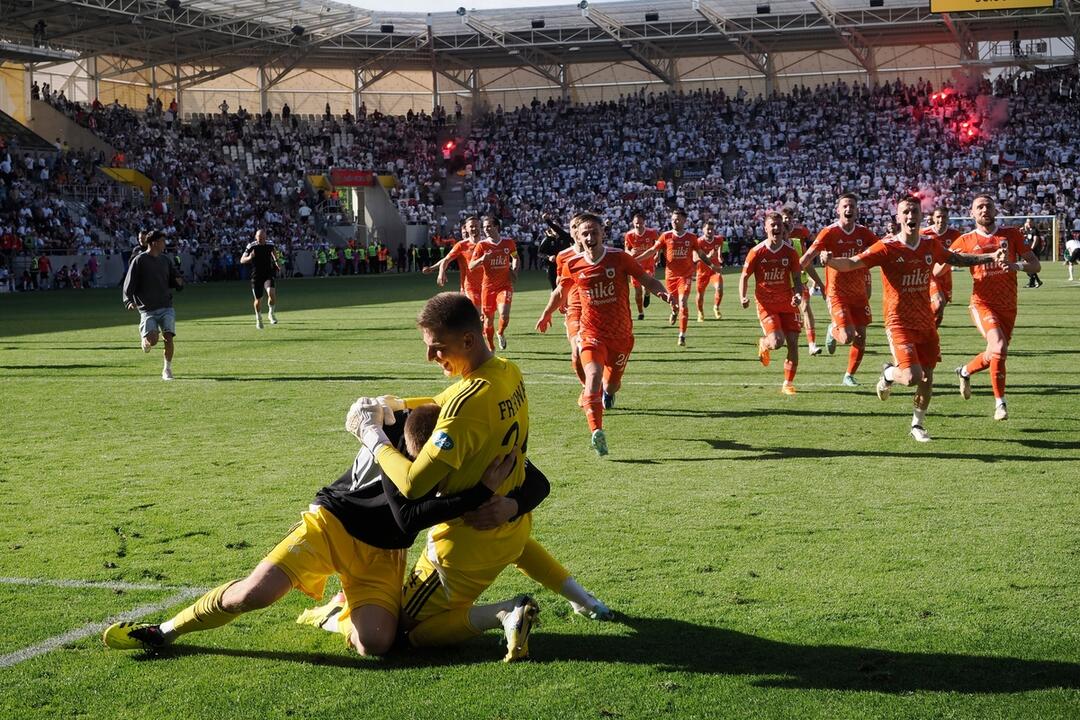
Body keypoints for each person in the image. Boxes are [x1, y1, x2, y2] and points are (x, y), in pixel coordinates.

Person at [101, 403, 533, 656]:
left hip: (384, 553)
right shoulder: (386, 436)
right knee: (254, 594)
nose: (430, 475)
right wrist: (481, 493)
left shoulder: (457, 439)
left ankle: (330, 611)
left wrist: (511, 501)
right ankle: (164, 631)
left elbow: (538, 481)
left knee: (376, 644)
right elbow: (409, 515)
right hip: (332, 524)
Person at [348, 292, 556, 661]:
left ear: (468, 340)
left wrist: (373, 437)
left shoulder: (467, 406)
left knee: (399, 632)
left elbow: (413, 484)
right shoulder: (506, 371)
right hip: (511, 527)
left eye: (438, 347)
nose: (430, 356)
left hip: (461, 546)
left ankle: (503, 612)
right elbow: (444, 399)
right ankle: (581, 600)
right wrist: (398, 405)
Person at [819, 196, 1003, 440]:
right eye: (905, 212)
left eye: (914, 211)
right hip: (898, 323)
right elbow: (852, 263)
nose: (910, 216)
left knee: (927, 376)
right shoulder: (887, 247)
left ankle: (917, 425)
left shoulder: (930, 244)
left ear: (920, 216)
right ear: (898, 217)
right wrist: (831, 261)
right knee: (910, 377)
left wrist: (990, 257)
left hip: (925, 322)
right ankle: (888, 374)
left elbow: (956, 259)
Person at [536, 213, 673, 456]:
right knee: (593, 376)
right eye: (585, 234)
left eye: (594, 232)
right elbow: (560, 292)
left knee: (612, 384)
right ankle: (596, 431)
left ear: (603, 233)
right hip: (591, 332)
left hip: (621, 335)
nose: (590, 237)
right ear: (578, 237)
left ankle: (608, 394)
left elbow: (646, 279)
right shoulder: (572, 264)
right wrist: (547, 313)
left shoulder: (619, 258)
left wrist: (663, 294)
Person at [949, 194, 1041, 421]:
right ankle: (1000, 403)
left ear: (995, 210)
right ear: (971, 213)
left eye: (988, 206)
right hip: (982, 304)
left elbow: (1035, 265)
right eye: (979, 207)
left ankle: (964, 371)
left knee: (995, 353)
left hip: (1008, 305)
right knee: (999, 347)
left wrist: (1015, 266)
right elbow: (938, 269)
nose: (984, 210)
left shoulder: (1011, 234)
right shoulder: (965, 240)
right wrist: (952, 259)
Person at [799, 193, 879, 386]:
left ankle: (849, 375)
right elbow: (808, 256)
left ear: (857, 210)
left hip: (859, 292)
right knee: (847, 336)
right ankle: (832, 329)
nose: (848, 209)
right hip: (837, 292)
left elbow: (882, 249)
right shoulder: (829, 232)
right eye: (845, 206)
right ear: (838, 210)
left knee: (861, 336)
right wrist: (792, 278)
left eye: (852, 206)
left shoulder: (864, 233)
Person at [739, 212, 804, 395]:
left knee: (793, 343)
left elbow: (797, 279)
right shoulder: (757, 252)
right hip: (766, 304)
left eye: (778, 225)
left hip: (788, 303)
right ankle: (764, 343)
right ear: (765, 228)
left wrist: (798, 295)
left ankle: (788, 384)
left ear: (783, 228)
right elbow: (744, 276)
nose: (776, 228)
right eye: (772, 225)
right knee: (776, 342)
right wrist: (743, 297)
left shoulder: (790, 252)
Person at [650, 207, 723, 346]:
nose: (674, 222)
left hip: (685, 276)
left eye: (677, 219)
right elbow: (653, 250)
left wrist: (711, 265)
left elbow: (700, 254)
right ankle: (674, 311)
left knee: (683, 303)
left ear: (684, 220)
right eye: (672, 219)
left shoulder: (691, 237)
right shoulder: (666, 236)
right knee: (675, 304)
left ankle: (682, 335)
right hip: (670, 277)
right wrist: (636, 259)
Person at [122, 230, 183, 380]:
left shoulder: (166, 260)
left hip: (166, 306)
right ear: (154, 243)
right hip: (147, 309)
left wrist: (179, 282)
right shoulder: (139, 260)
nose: (165, 244)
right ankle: (146, 339)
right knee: (153, 340)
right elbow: (129, 283)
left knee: (168, 337)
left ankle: (167, 369)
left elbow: (175, 279)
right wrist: (128, 301)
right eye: (162, 241)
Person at [468, 215, 518, 350]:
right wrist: (482, 259)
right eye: (484, 227)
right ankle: (491, 346)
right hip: (488, 288)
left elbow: (515, 257)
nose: (486, 229)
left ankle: (500, 332)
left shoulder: (508, 243)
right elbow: (471, 266)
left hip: (505, 285)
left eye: (489, 226)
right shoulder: (482, 245)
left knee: (504, 315)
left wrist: (514, 269)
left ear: (497, 227)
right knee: (488, 320)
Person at [782, 205, 823, 355]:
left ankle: (812, 345)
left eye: (789, 218)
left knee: (805, 309)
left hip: (800, 281)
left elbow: (808, 263)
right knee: (786, 315)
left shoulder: (798, 240)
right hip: (781, 286)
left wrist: (820, 283)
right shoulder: (771, 245)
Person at [425, 217, 482, 309]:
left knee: (486, 316)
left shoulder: (485, 244)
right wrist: (438, 271)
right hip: (468, 287)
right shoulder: (461, 246)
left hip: (486, 285)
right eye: (464, 233)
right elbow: (445, 260)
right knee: (476, 312)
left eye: (476, 226)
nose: (465, 234)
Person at [921, 207, 962, 327]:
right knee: (939, 302)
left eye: (944, 217)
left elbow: (962, 255)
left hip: (946, 275)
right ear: (933, 218)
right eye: (938, 217)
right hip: (929, 274)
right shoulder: (924, 234)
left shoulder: (955, 234)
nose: (941, 219)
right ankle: (924, 329)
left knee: (939, 310)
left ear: (948, 218)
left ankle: (929, 331)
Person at [240, 229, 280, 329]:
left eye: (262, 238)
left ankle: (271, 313)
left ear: (265, 237)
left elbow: (273, 251)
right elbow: (242, 260)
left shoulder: (270, 244)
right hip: (256, 276)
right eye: (258, 238)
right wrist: (250, 257)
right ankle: (259, 319)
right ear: (255, 237)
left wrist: (276, 261)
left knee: (271, 294)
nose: (260, 240)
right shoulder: (251, 246)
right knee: (258, 300)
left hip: (268, 274)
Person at [623, 210, 659, 320]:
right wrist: (630, 252)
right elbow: (626, 249)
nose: (638, 225)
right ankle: (640, 312)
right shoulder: (629, 235)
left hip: (649, 265)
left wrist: (657, 255)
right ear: (633, 223)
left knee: (647, 286)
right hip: (635, 266)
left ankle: (647, 294)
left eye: (640, 223)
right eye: (636, 223)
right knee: (638, 292)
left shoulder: (652, 232)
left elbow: (658, 245)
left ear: (644, 222)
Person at [693, 219, 725, 322]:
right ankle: (700, 312)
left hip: (714, 270)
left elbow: (720, 245)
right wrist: (707, 256)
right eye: (708, 229)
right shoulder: (698, 242)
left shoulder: (719, 239)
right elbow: (694, 259)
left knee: (719, 288)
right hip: (702, 272)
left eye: (712, 229)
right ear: (703, 230)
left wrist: (719, 255)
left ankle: (716, 307)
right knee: (700, 294)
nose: (710, 231)